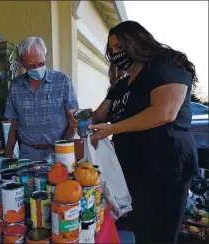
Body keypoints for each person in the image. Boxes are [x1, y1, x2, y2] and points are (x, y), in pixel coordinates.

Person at [71, 21, 199, 243]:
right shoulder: (122, 85)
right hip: (135, 170)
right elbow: (100, 116)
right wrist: (79, 116)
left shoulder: (166, 64)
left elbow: (165, 112)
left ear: (137, 41)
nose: (115, 54)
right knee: (142, 231)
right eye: (112, 51)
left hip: (167, 168)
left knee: (160, 235)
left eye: (120, 47)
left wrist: (112, 129)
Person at [4, 36, 78, 161]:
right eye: (32, 65)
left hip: (59, 149)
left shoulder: (62, 81)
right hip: (28, 153)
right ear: (22, 63)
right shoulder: (16, 86)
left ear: (46, 56)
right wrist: (8, 154)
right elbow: (14, 124)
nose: (37, 68)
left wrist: (62, 148)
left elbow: (74, 120)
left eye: (41, 63)